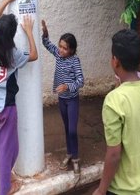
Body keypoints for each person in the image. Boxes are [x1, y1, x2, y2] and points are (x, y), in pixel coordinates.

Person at [93, 29, 140, 195]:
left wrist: (102, 189)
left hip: (123, 190)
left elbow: (113, 154)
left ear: (115, 61)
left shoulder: (114, 100)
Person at [0, 0, 38, 195]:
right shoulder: (13, 55)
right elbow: (33, 55)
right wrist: (29, 32)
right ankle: (5, 189)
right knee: (7, 150)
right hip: (6, 110)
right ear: (12, 35)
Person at [41, 20, 84, 174]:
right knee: (66, 128)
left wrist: (67, 86)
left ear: (71, 50)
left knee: (72, 130)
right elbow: (46, 43)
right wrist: (45, 32)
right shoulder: (58, 55)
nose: (60, 50)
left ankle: (76, 158)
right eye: (60, 46)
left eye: (65, 48)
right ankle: (69, 154)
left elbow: (81, 81)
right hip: (62, 100)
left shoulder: (74, 61)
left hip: (72, 100)